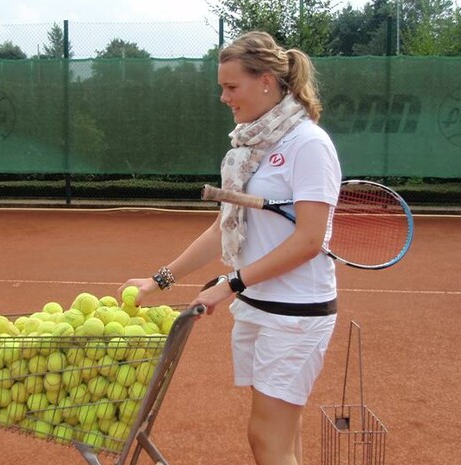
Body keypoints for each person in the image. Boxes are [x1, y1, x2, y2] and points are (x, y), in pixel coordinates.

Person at [119, 31, 341, 465]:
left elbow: (310, 241)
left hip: (296, 313)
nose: (223, 97)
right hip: (262, 307)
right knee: (284, 433)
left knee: (266, 438)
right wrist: (160, 280)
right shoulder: (253, 146)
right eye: (222, 86)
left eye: (231, 86)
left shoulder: (308, 145)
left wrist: (231, 283)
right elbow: (227, 226)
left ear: (266, 81)